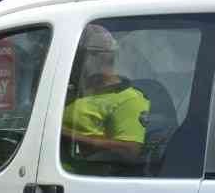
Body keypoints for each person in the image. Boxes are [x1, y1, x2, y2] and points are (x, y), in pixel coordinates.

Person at [59, 23, 148, 167]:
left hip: (85, 178)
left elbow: (130, 150)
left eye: (76, 58)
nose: (72, 65)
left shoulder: (129, 99)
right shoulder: (72, 92)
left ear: (98, 57)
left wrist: (66, 135)